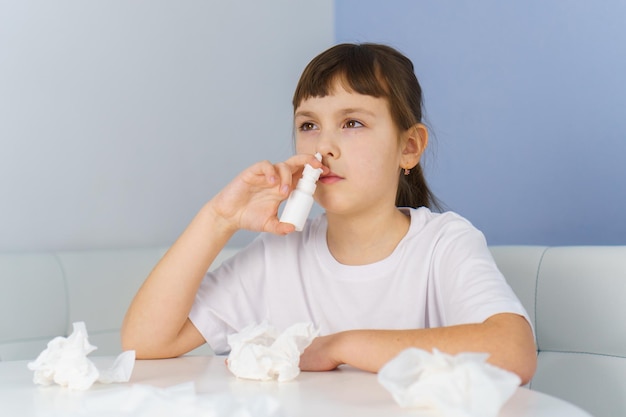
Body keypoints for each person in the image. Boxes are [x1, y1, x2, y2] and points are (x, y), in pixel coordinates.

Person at [121, 43, 537, 384]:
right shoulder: (278, 256)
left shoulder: (442, 245)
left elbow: (512, 352)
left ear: (409, 147)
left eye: (352, 123)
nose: (324, 148)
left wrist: (339, 346)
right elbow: (144, 344)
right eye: (308, 125)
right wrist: (219, 218)